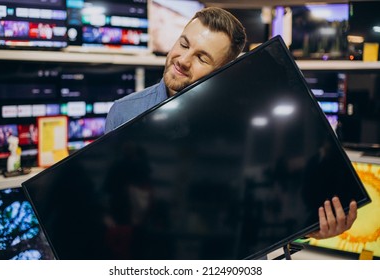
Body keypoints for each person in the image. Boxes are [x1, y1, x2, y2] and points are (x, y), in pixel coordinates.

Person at [105, 6, 357, 251]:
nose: (183, 60)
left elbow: (269, 212)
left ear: (222, 72)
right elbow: (111, 209)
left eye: (202, 57)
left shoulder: (251, 128)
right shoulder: (124, 113)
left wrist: (311, 226)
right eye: (183, 44)